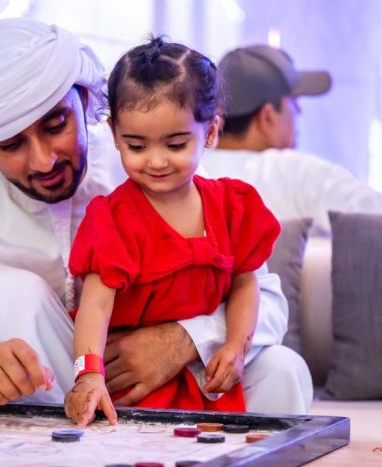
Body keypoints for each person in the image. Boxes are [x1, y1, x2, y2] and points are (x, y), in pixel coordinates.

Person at [0, 18, 312, 415]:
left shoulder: (148, 160)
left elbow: (263, 296)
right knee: (13, 294)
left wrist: (183, 340)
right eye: (11, 145)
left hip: (153, 388)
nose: (44, 160)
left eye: (55, 125)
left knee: (283, 372)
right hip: (40, 405)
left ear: (86, 104)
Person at [64, 38, 280, 427]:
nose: (157, 161)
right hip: (135, 386)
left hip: (206, 377)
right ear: (115, 134)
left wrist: (236, 345)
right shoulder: (113, 219)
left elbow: (245, 283)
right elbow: (95, 305)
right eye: (136, 145)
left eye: (176, 144)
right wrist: (88, 373)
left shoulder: (233, 207)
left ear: (211, 130)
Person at [202, 44, 382, 235]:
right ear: (267, 118)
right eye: (293, 102)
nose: (300, 111)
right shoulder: (295, 173)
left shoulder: (193, 173)